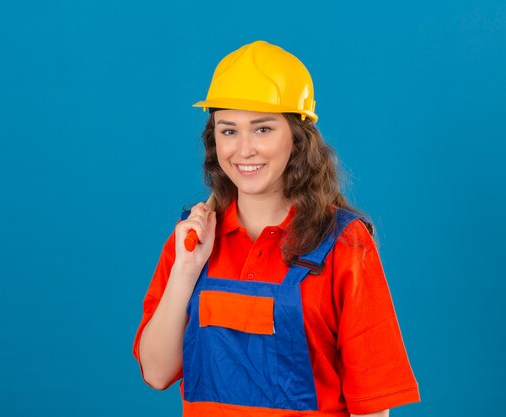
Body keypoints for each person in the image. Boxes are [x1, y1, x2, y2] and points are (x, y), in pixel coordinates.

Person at [133, 40, 420, 417]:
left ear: (297, 138)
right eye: (228, 131)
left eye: (263, 129)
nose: (244, 149)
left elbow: (372, 407)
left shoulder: (343, 244)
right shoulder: (192, 240)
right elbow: (156, 372)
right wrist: (187, 268)